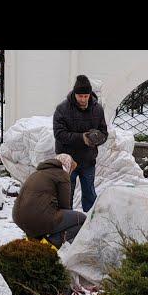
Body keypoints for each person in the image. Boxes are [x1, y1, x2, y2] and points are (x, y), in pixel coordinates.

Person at [53, 75, 108, 212]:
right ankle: (66, 223)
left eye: (86, 96)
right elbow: (59, 134)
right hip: (68, 161)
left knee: (89, 194)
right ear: (74, 94)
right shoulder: (62, 109)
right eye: (80, 96)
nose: (83, 99)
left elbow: (104, 132)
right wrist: (82, 138)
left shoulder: (98, 109)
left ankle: (90, 223)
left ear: (90, 94)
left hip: (88, 160)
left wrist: (99, 137)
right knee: (66, 196)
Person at [12, 154, 86, 249]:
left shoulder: (37, 173)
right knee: (81, 219)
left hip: (18, 217)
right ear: (68, 166)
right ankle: (49, 245)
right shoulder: (62, 174)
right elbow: (65, 206)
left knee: (48, 216)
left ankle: (35, 239)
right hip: (36, 218)